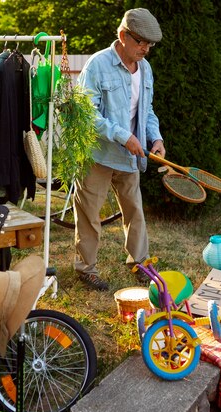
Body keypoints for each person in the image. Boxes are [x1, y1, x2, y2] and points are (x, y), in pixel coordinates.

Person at [74, 8, 166, 291]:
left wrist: (156, 138)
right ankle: (86, 268)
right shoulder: (97, 65)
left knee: (134, 211)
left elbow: (146, 110)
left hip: (130, 155)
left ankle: (139, 263)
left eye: (150, 44)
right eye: (141, 42)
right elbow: (86, 113)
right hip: (98, 154)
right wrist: (123, 135)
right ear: (123, 35)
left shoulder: (145, 69)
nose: (146, 49)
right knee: (89, 214)